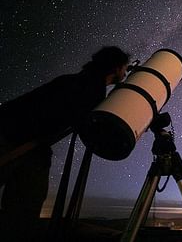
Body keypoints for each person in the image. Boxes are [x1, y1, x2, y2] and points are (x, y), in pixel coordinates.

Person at [0, 46, 129, 240]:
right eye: (124, 69)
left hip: (23, 139)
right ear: (116, 68)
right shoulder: (92, 89)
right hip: (17, 141)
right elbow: (91, 131)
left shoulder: (77, 80)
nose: (125, 73)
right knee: (23, 213)